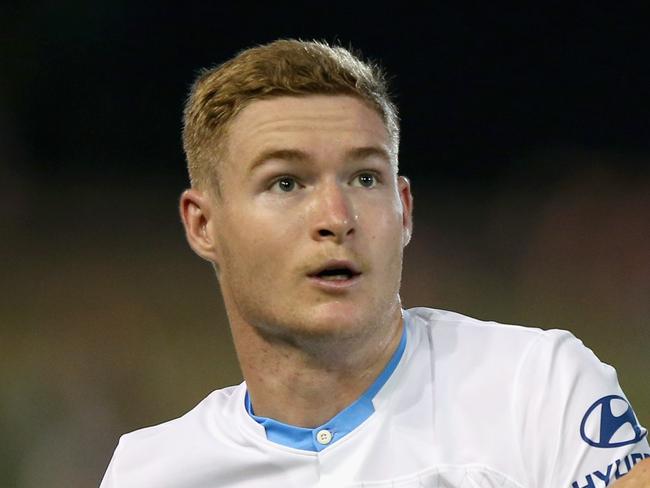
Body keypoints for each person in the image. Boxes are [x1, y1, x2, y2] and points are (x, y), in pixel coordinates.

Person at [100, 39, 649, 488]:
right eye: (286, 182)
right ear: (203, 224)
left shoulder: (535, 387)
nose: (336, 217)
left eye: (365, 178)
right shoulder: (149, 471)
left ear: (404, 210)